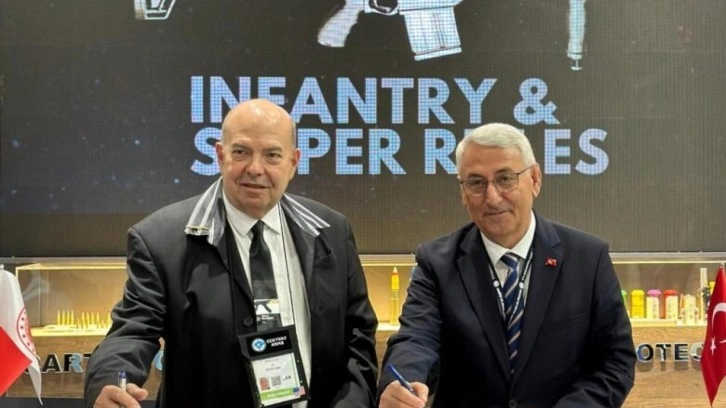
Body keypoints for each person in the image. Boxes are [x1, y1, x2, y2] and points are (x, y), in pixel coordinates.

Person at [84, 98, 378, 407]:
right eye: (241, 152)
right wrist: (111, 382)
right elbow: (131, 333)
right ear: (220, 155)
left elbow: (358, 335)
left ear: (293, 163)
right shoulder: (160, 240)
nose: (255, 168)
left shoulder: (331, 231)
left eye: (272, 155)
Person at [378, 123, 636, 408]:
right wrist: (402, 383)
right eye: (476, 183)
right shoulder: (436, 263)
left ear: (535, 179)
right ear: (462, 192)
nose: (492, 197)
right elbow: (416, 339)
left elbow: (616, 361)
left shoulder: (588, 258)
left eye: (505, 179)